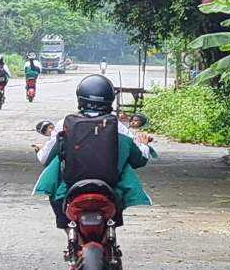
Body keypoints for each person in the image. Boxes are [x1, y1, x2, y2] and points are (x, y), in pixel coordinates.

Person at [34, 75, 155, 240]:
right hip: (110, 185)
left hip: (70, 185)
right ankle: (110, 232)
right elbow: (138, 159)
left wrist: (40, 150)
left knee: (55, 191)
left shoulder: (65, 124)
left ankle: (70, 233)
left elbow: (45, 159)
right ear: (110, 100)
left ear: (80, 98)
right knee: (119, 194)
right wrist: (144, 145)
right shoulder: (119, 128)